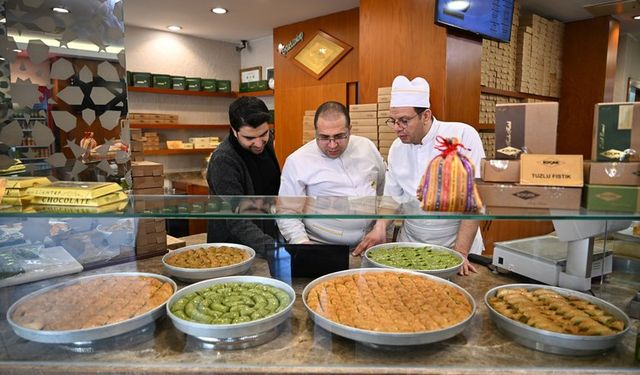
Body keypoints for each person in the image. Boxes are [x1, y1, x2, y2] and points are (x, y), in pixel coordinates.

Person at [353, 76, 485, 275]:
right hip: (410, 245)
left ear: (426, 116)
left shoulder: (463, 135)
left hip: (455, 244)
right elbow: (393, 198)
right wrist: (380, 227)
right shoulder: (397, 148)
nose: (397, 128)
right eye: (394, 121)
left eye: (404, 121)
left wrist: (460, 253)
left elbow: (475, 201)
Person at [277, 101, 385, 246]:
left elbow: (383, 189)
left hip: (371, 243)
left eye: (340, 136)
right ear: (315, 133)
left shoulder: (367, 147)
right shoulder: (297, 161)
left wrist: (381, 226)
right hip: (323, 247)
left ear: (350, 130)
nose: (332, 145)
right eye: (324, 137)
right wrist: (302, 243)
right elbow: (287, 212)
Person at [206, 96, 280, 257]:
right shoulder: (223, 160)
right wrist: (273, 248)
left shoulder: (268, 142)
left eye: (264, 134)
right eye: (250, 138)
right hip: (233, 250)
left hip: (266, 238)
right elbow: (236, 219)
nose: (259, 143)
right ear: (234, 130)